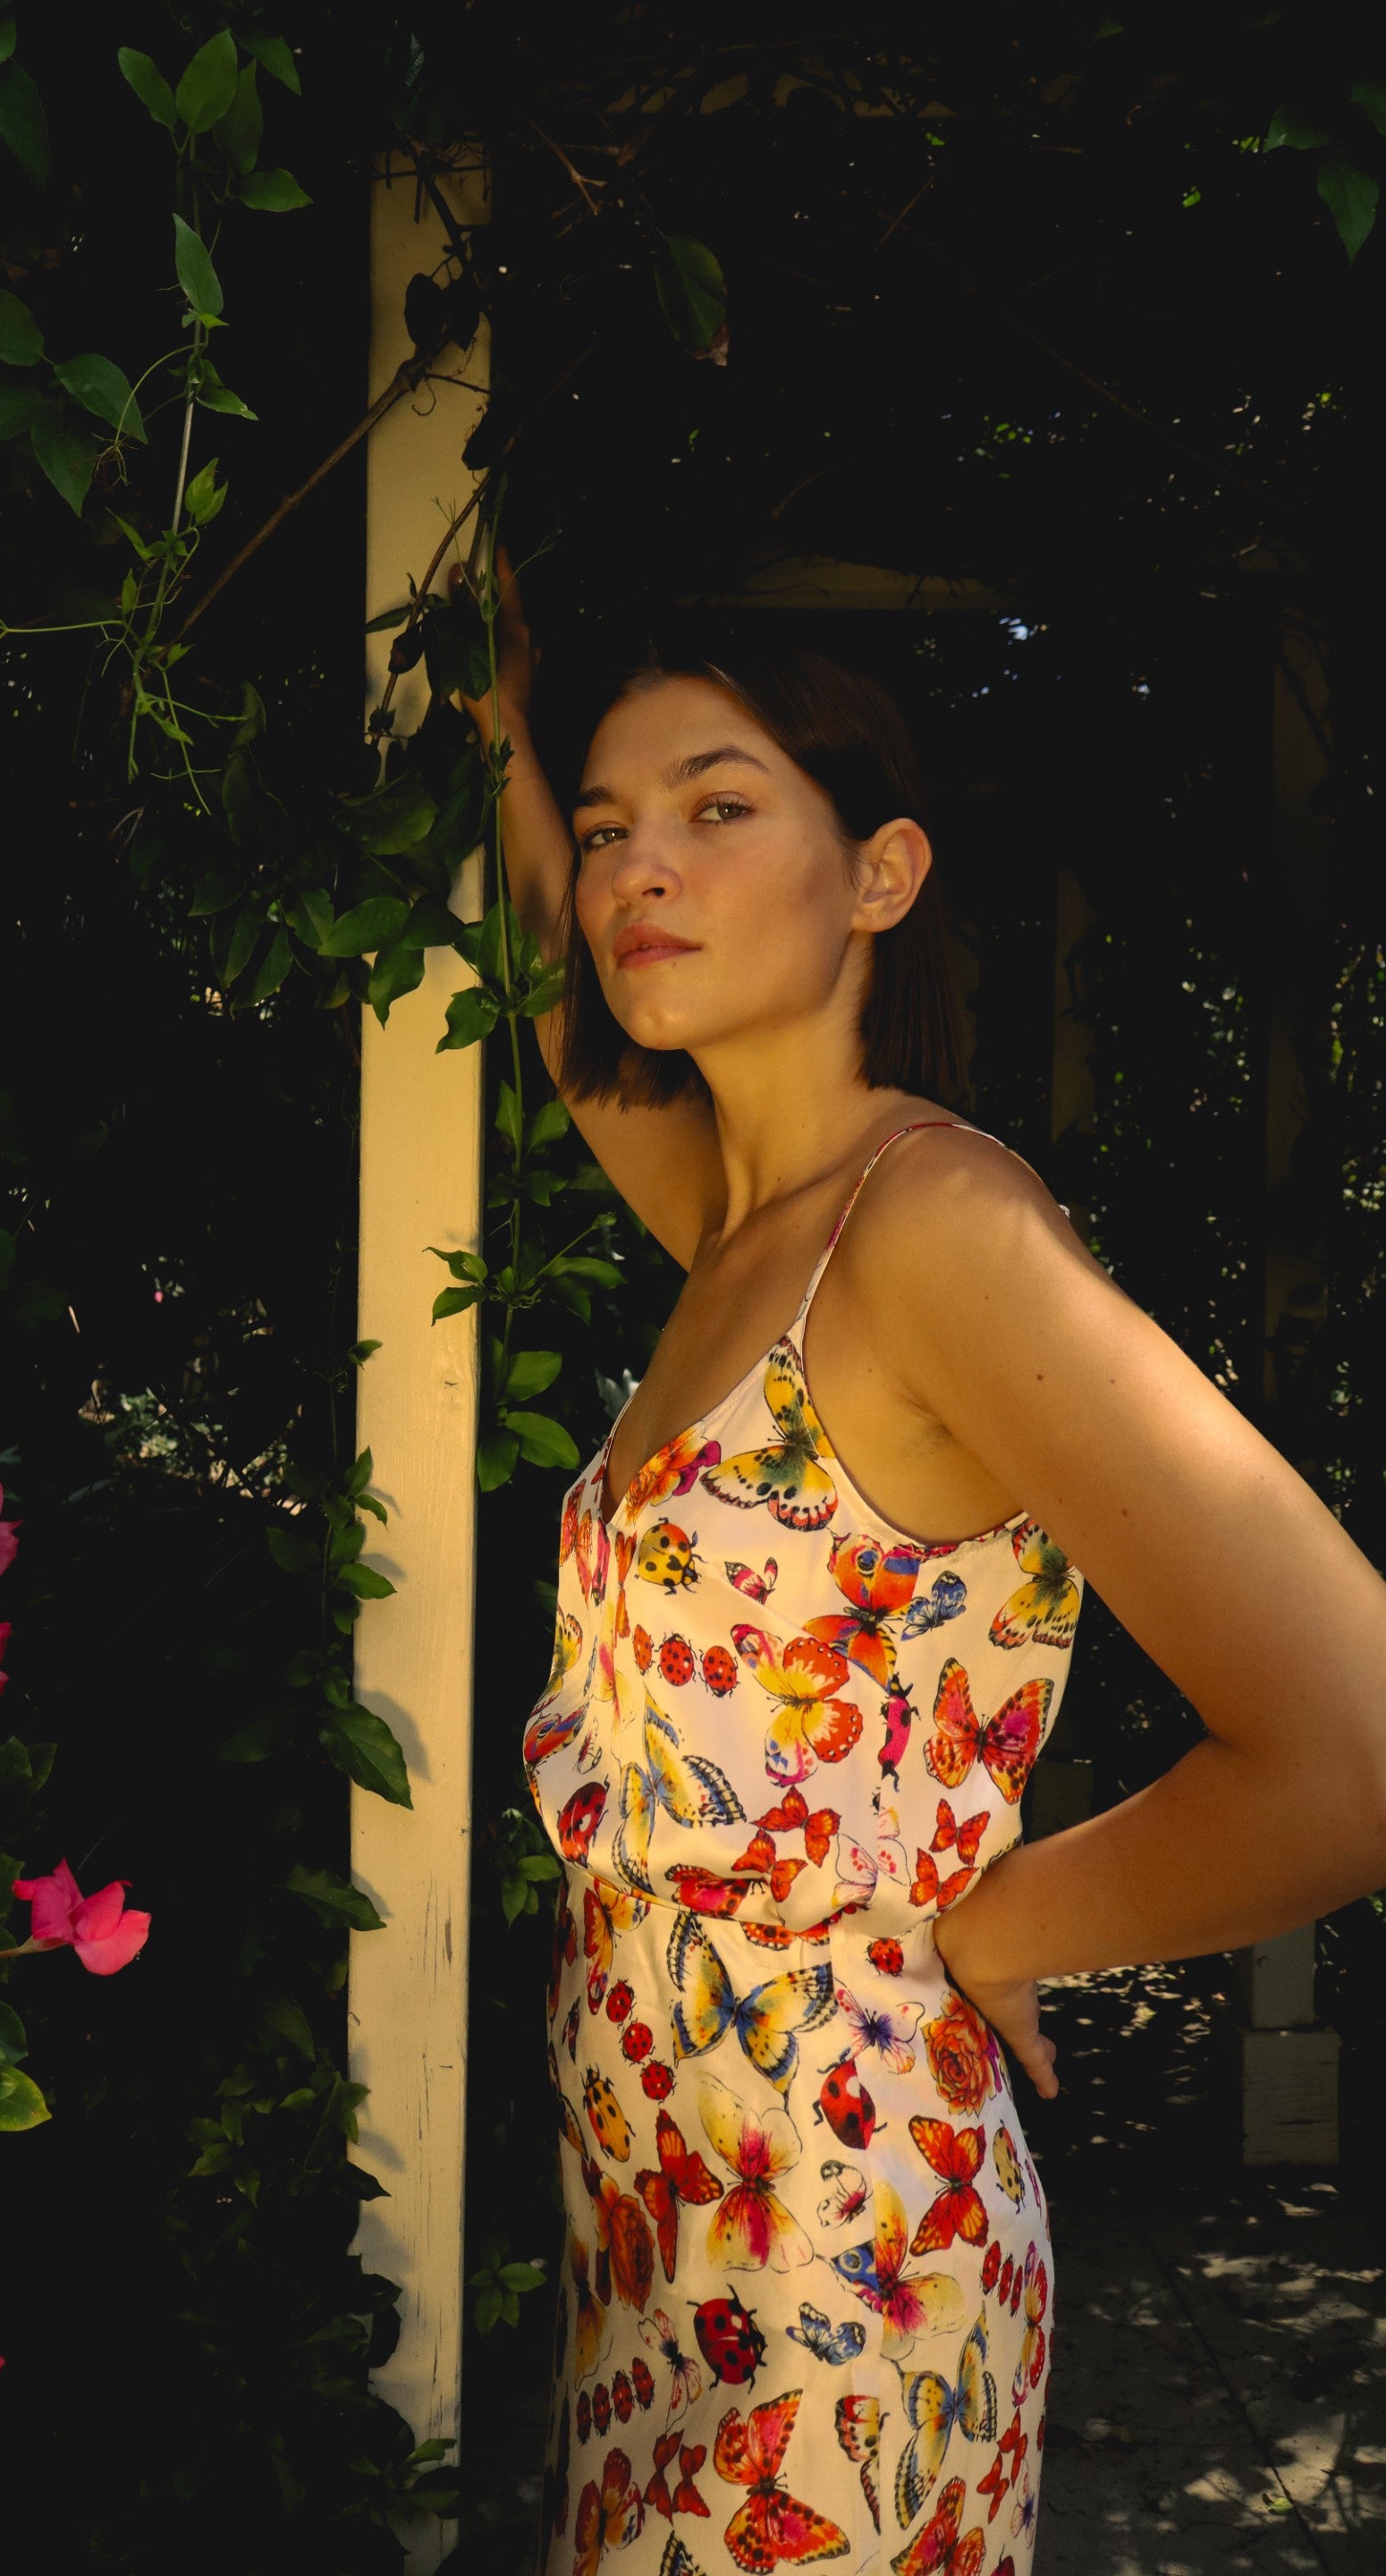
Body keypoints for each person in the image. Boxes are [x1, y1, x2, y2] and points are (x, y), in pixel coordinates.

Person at [456, 547, 1386, 2576]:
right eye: (616, 827)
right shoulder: (741, 1218)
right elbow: (557, 984)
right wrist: (498, 720)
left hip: (836, 2258)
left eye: (719, 807)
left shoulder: (935, 1233)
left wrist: (992, 1926)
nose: (639, 868)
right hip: (660, 2202)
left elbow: (1359, 1745)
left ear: (880, 874)